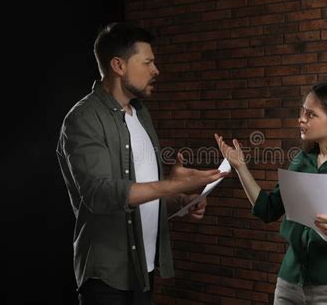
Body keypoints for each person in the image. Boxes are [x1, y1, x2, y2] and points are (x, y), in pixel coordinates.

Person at [56, 22, 226, 305]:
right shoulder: (83, 119)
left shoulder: (141, 115)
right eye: (147, 62)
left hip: (143, 270)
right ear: (118, 66)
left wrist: (180, 198)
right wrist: (170, 185)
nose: (155, 70)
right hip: (106, 277)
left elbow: (145, 196)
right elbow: (99, 194)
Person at [215, 83, 327, 305]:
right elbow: (267, 209)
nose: (301, 119)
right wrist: (241, 168)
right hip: (289, 284)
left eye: (310, 114)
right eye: (302, 111)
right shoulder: (301, 161)